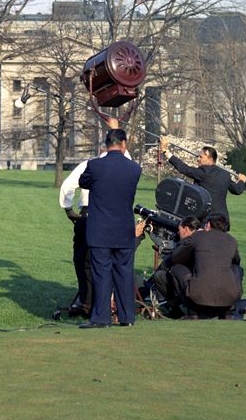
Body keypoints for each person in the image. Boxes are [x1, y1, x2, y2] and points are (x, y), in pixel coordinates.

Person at [59, 133, 132, 318]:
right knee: (117, 266)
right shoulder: (129, 166)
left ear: (103, 147)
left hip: (91, 215)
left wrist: (68, 209)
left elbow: (68, 186)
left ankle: (88, 302)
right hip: (120, 220)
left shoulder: (91, 165)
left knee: (85, 262)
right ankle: (121, 312)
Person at [77, 128, 142, 328]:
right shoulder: (134, 168)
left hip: (100, 230)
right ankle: (127, 317)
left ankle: (101, 317)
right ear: (123, 144)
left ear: (106, 145)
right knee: (124, 274)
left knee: (102, 275)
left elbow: (83, 182)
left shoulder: (95, 166)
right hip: (124, 229)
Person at [159, 137, 246, 230]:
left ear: (210, 159)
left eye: (201, 157)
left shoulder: (203, 172)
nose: (198, 159)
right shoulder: (225, 174)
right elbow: (237, 190)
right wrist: (242, 181)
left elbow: (183, 168)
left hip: (207, 222)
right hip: (222, 221)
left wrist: (165, 151)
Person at [168, 213, 243, 319]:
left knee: (177, 269)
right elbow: (236, 261)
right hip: (230, 296)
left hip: (198, 294)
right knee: (237, 269)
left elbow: (176, 258)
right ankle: (228, 312)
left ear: (208, 225)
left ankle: (192, 313)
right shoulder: (232, 240)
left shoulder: (198, 236)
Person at [149, 216, 202, 318]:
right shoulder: (204, 239)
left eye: (179, 229)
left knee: (161, 275)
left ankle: (177, 310)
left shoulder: (188, 243)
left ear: (186, 229)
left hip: (192, 282)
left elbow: (173, 260)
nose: (178, 232)